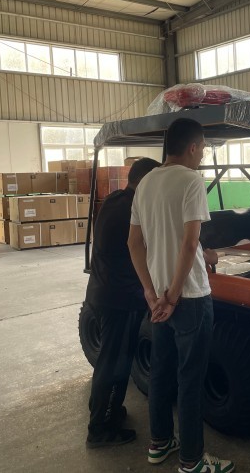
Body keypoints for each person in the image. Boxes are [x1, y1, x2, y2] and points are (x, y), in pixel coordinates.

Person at [127, 118, 234, 473]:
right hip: (189, 297)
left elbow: (134, 243)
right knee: (190, 381)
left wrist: (151, 291)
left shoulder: (146, 182)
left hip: (158, 298)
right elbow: (190, 243)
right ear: (192, 147)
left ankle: (159, 444)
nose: (202, 155)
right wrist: (174, 294)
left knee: (161, 373)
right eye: (202, 149)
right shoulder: (191, 180)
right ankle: (192, 461)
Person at [85, 157, 161, 448]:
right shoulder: (133, 210)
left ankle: (107, 410)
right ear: (146, 182)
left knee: (110, 360)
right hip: (120, 299)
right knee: (115, 365)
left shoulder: (116, 199)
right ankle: (101, 429)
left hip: (103, 292)